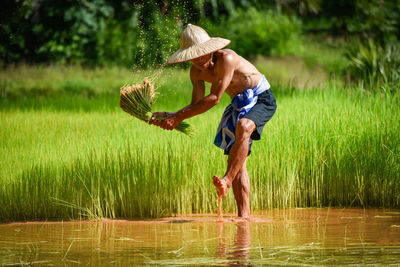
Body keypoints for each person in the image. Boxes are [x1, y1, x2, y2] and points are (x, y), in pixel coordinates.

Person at [150, 24, 276, 218]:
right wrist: (171, 115)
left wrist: (178, 117)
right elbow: (197, 104)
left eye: (201, 54)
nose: (199, 60)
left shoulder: (227, 59)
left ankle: (226, 181)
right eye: (193, 57)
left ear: (211, 49)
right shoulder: (196, 73)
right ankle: (244, 218)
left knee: (244, 126)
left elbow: (215, 98)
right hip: (238, 105)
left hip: (261, 99)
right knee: (238, 160)